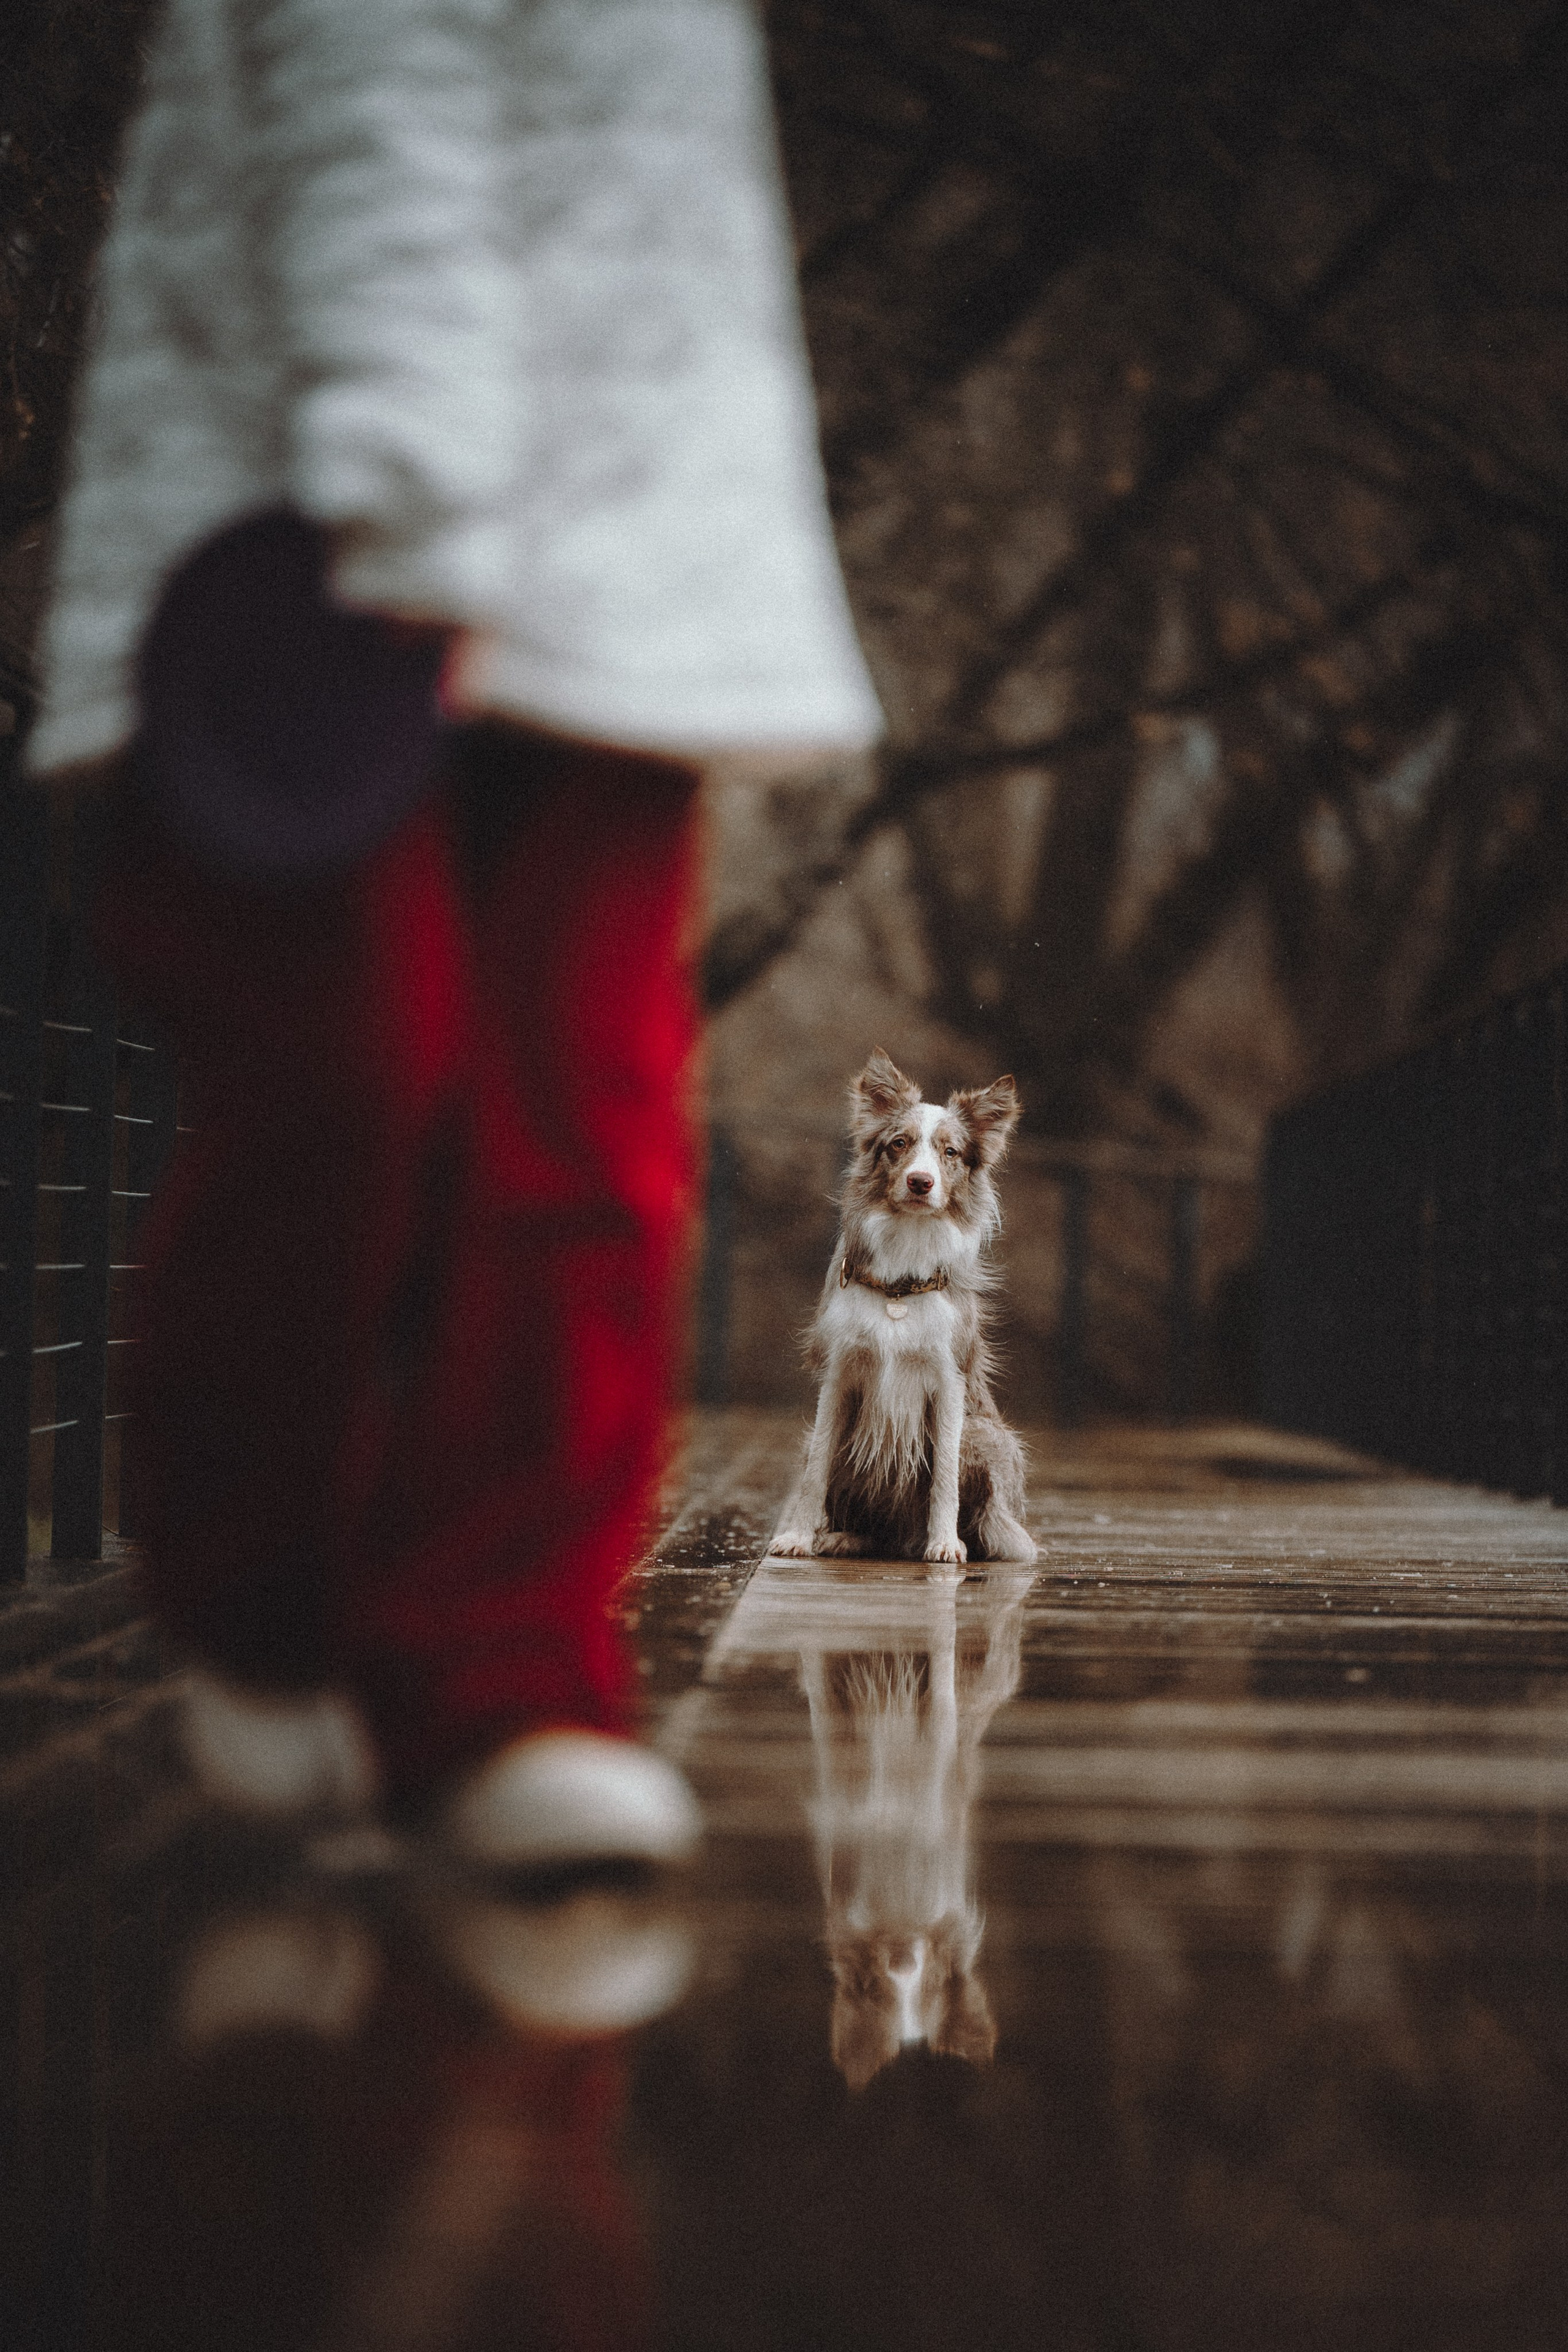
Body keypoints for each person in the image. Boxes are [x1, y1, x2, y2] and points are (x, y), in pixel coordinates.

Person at [28, 0, 881, 1863]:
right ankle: (263, 1606)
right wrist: (407, 484)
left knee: (585, 1125)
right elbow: (364, 93)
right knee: (350, 1079)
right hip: (305, 541)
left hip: (620, 571)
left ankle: (506, 1681)